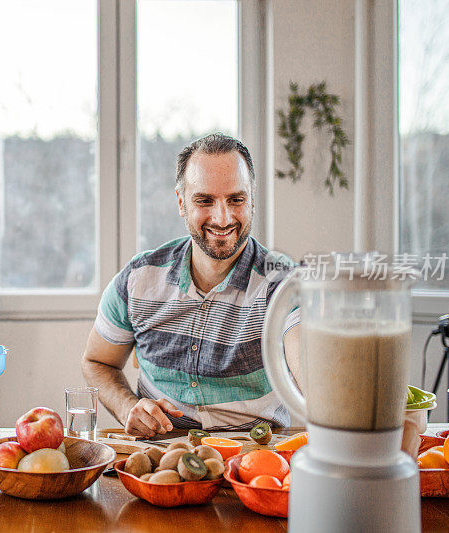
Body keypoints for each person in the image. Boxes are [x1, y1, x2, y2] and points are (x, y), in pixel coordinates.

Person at [81, 133, 301, 438]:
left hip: (256, 459)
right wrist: (127, 406)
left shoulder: (284, 283)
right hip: (159, 456)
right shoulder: (138, 279)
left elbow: (312, 372)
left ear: (252, 200)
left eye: (236, 199)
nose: (222, 218)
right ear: (182, 202)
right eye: (205, 200)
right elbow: (97, 361)